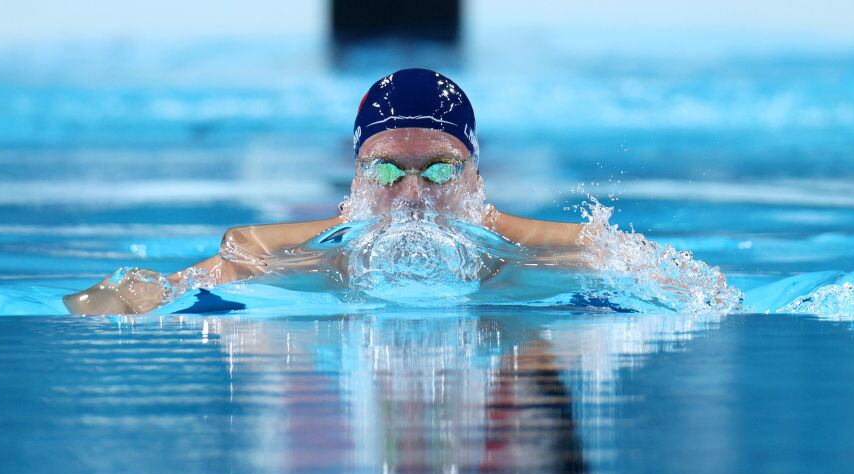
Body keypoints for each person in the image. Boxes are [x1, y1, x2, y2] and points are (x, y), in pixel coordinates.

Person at [64, 68, 611, 315]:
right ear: (356, 182)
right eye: (388, 172)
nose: (413, 194)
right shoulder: (262, 255)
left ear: (475, 178)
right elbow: (133, 297)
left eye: (440, 171)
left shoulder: (572, 251)